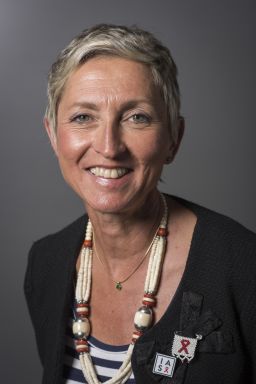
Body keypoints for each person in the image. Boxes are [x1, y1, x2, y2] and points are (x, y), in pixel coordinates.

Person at [24, 24, 256, 384]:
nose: (109, 146)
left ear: (173, 140)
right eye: (83, 117)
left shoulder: (244, 266)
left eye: (137, 118)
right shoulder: (45, 263)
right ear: (54, 135)